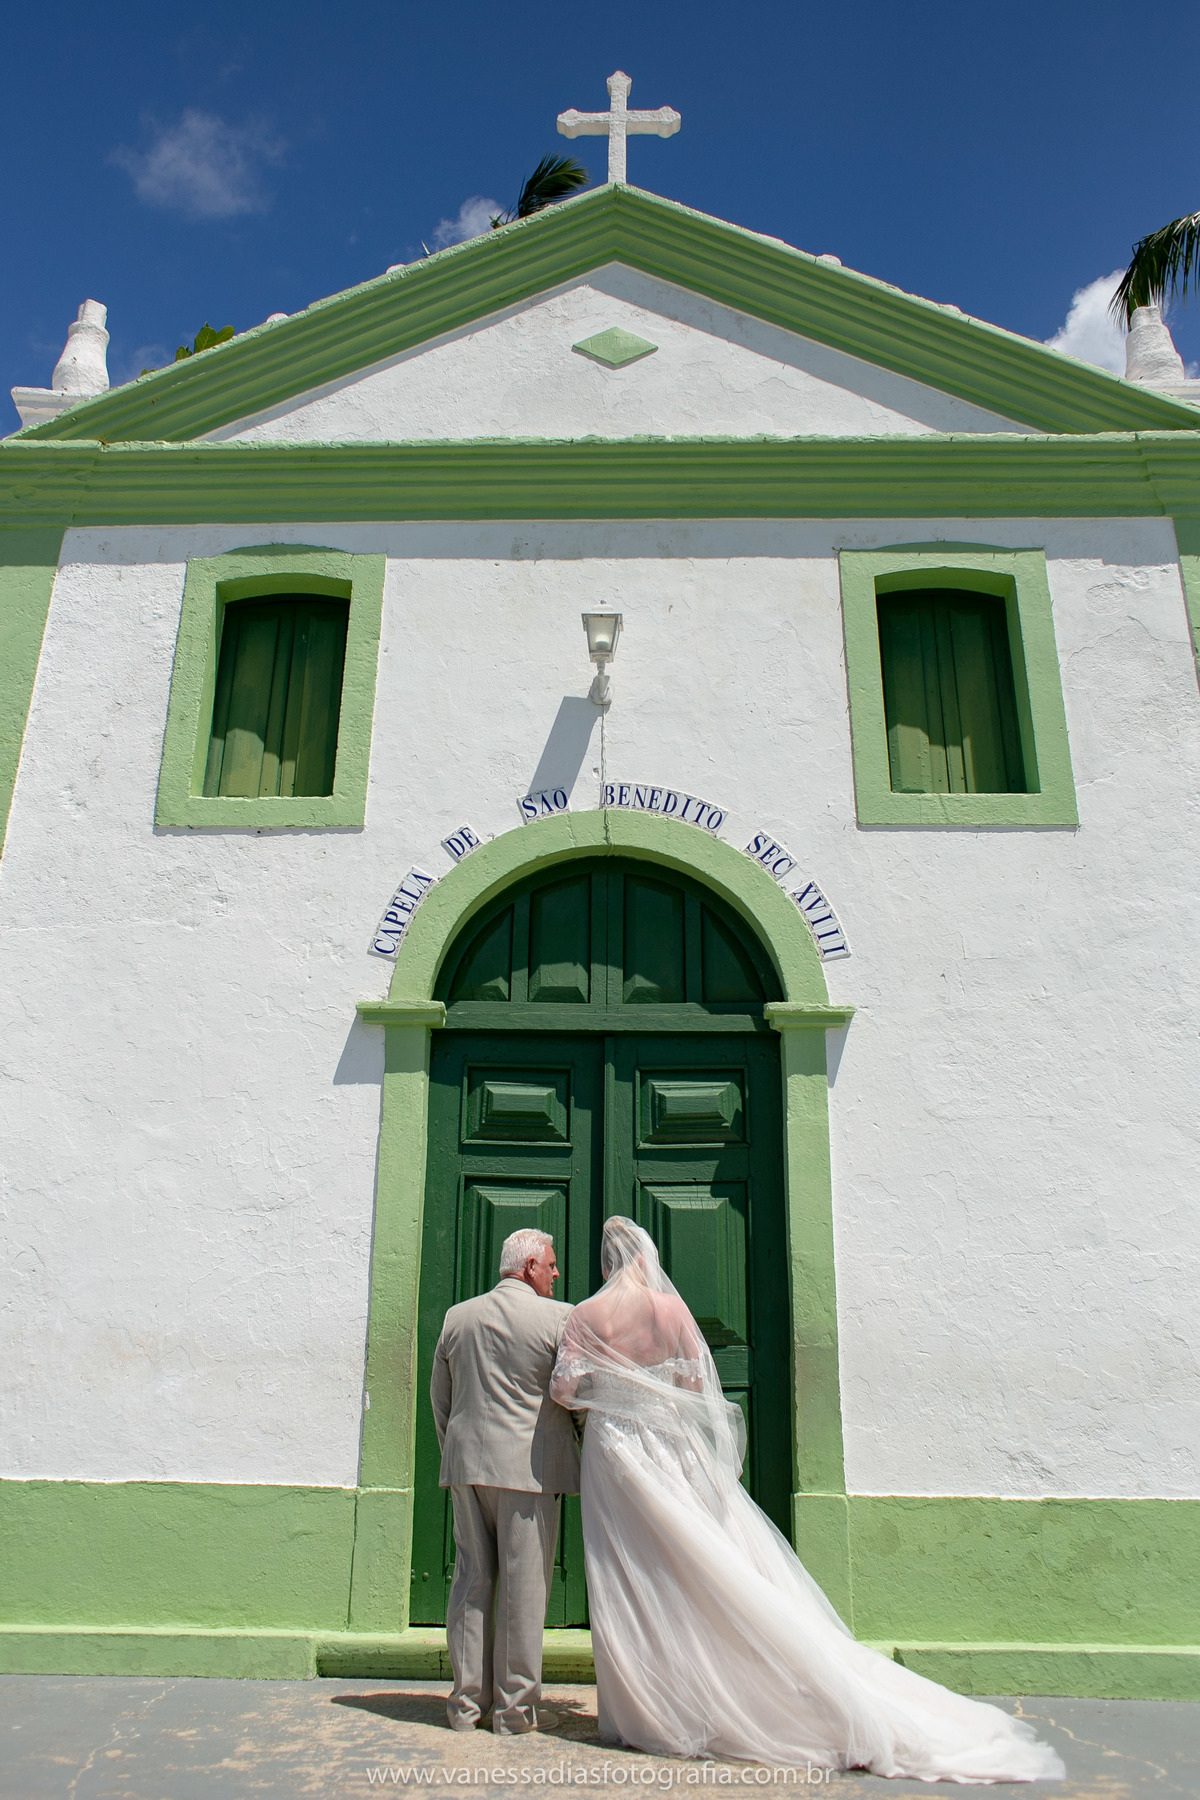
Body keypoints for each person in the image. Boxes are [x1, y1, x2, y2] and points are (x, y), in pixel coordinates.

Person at [550, 1217, 1064, 1783]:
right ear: (646, 1259)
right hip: (670, 1449)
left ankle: (647, 1708)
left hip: (614, 1451)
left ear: (606, 1262)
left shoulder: (583, 1317)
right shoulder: (668, 1312)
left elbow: (564, 1389)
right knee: (699, 1564)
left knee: (625, 1569)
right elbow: (698, 1387)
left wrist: (610, 1395)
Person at [431, 1227, 580, 1735]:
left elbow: (441, 1402)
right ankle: (514, 1713)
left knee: (471, 1580)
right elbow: (574, 1397)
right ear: (530, 1267)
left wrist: (458, 1452)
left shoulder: (458, 1317)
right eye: (552, 1265)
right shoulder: (560, 1320)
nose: (557, 1273)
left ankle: (465, 1707)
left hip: (468, 1468)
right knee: (523, 1588)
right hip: (530, 1472)